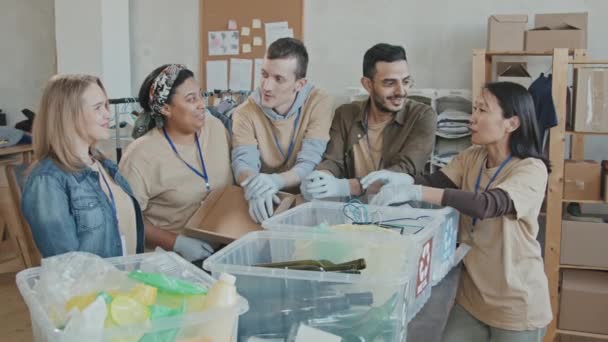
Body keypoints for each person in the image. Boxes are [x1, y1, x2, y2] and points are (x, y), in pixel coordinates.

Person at [363, 82, 551, 342]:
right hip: (471, 300)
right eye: (474, 108)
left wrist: (416, 192)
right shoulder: (473, 156)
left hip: (515, 304)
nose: (472, 118)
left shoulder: (531, 169)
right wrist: (402, 180)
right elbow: (436, 182)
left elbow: (486, 205)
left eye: (483, 110)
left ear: (511, 123)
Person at [21, 74, 145, 258]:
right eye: (97, 108)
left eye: (106, 106)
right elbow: (66, 262)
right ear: (69, 114)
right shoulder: (47, 179)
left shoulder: (105, 165)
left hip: (124, 282)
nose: (107, 114)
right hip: (95, 286)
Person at [119, 64, 232, 262]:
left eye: (201, 95)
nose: (202, 104)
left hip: (221, 250)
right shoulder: (141, 155)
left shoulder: (215, 128)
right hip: (169, 262)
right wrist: (177, 243)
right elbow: (127, 220)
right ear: (166, 108)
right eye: (191, 99)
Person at [301, 43, 436, 200]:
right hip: (351, 212)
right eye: (390, 83)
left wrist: (345, 186)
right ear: (368, 84)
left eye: (405, 81)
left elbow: (404, 172)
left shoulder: (422, 116)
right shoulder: (345, 114)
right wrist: (320, 179)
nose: (401, 91)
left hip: (400, 213)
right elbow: (333, 161)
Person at [231, 37, 333, 223]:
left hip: (305, 202)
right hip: (265, 202)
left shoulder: (319, 102)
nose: (266, 86)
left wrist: (275, 181)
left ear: (299, 84)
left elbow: (310, 162)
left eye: (279, 79)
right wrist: (253, 186)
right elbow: (243, 162)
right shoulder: (244, 112)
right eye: (264, 74)